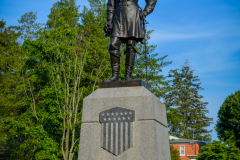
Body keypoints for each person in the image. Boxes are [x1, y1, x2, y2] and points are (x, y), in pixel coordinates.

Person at [103, 0, 157, 82]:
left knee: (130, 46)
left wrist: (145, 12)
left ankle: (128, 76)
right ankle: (115, 76)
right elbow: (111, 6)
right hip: (117, 16)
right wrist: (109, 21)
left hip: (132, 15)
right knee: (113, 44)